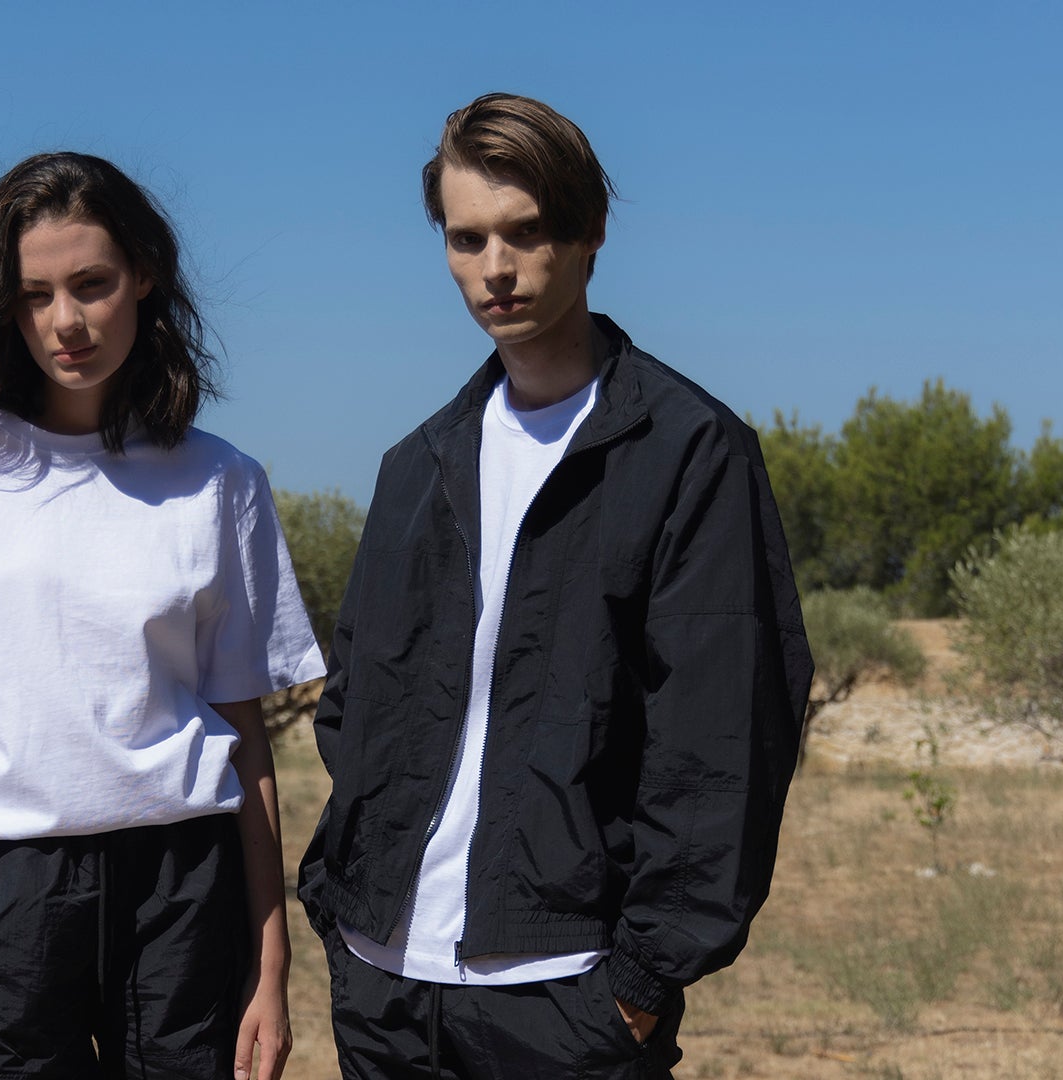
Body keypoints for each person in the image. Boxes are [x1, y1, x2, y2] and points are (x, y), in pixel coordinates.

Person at [297, 93, 813, 1079]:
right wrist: (341, 902)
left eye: (526, 232)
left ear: (590, 233)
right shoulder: (417, 466)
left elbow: (726, 740)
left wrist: (643, 979)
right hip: (383, 985)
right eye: (467, 239)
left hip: (566, 996)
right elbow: (356, 705)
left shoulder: (689, 451)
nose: (495, 267)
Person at [0, 151, 323, 1080]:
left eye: (92, 284)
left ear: (145, 274)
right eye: (34, 294)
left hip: (182, 893)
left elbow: (243, 730)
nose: (66, 321)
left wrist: (271, 961)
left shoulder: (221, 482)